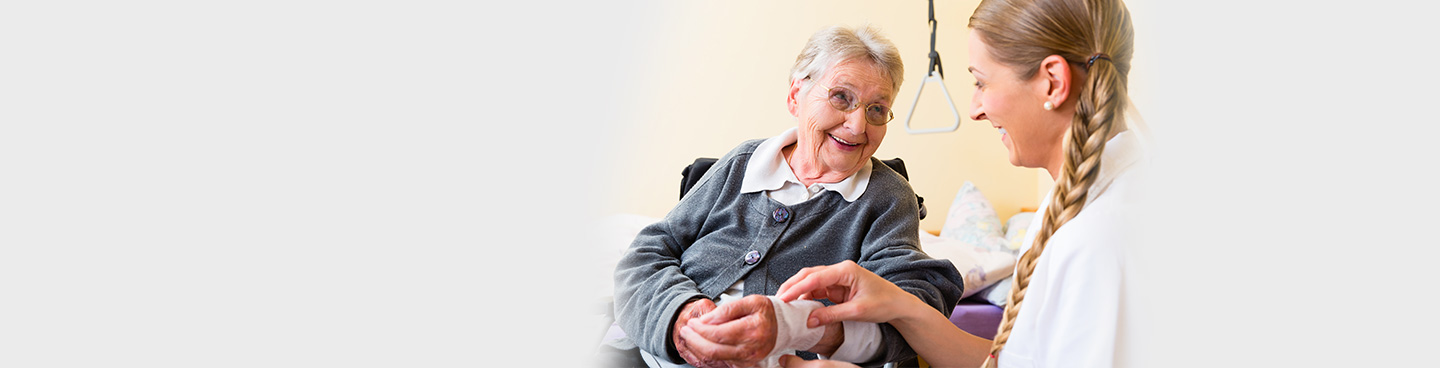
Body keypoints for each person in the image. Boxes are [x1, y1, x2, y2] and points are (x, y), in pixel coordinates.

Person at [773, 0, 1144, 367]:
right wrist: (899, 305)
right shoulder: (1070, 206)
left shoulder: (1101, 235)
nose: (974, 109)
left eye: (981, 82)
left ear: (1053, 82)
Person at [610, 24, 965, 368]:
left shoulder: (885, 196)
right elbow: (649, 252)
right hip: (650, 355)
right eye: (842, 97)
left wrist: (794, 325)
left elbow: (915, 304)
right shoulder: (744, 162)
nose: (858, 126)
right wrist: (681, 315)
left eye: (876, 109)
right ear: (796, 96)